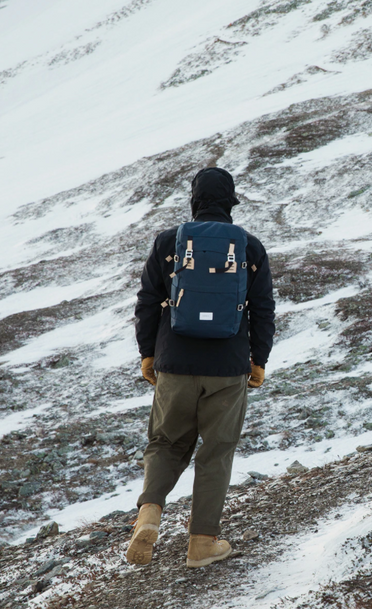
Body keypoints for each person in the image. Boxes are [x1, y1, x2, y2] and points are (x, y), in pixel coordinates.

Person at [127, 167, 275, 568]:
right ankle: (202, 542)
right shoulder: (249, 246)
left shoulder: (168, 243)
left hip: (175, 363)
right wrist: (258, 359)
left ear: (194, 200)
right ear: (231, 201)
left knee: (165, 443)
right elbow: (262, 309)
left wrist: (148, 352)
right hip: (227, 369)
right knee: (217, 451)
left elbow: (147, 302)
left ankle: (150, 514)